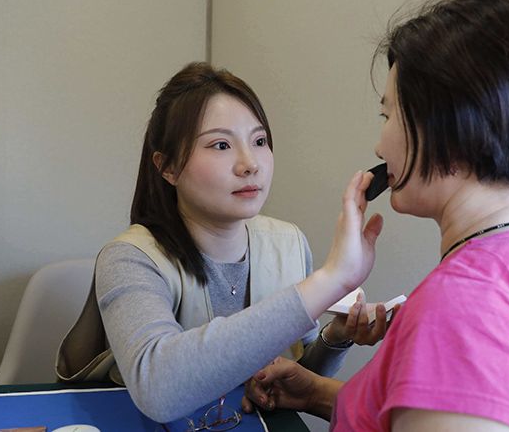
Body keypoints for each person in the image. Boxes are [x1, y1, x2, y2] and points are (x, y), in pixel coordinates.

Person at [244, 0, 509, 431]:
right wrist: (316, 393)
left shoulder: (465, 309)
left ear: (450, 124)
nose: (379, 146)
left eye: (388, 116)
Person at [55, 62, 389, 423]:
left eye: (259, 141)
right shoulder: (128, 258)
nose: (249, 164)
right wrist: (330, 280)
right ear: (168, 167)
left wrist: (335, 337)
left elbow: (292, 380)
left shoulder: (288, 243)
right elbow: (157, 389)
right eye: (221, 145)